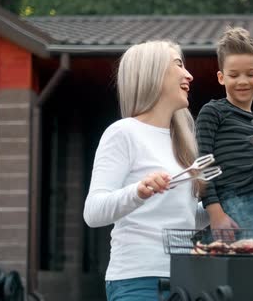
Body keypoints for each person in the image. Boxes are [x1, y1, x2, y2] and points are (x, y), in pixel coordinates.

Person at [83, 40, 207, 301]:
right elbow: (93, 212)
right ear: (153, 73)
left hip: (184, 278)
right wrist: (139, 191)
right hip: (138, 281)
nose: (189, 75)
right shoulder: (123, 133)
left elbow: (180, 216)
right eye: (178, 65)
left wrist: (219, 209)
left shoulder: (182, 142)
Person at [196, 27, 253, 230]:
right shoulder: (213, 112)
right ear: (221, 77)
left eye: (250, 74)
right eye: (233, 75)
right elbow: (201, 164)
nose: (242, 81)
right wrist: (216, 215)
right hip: (223, 222)